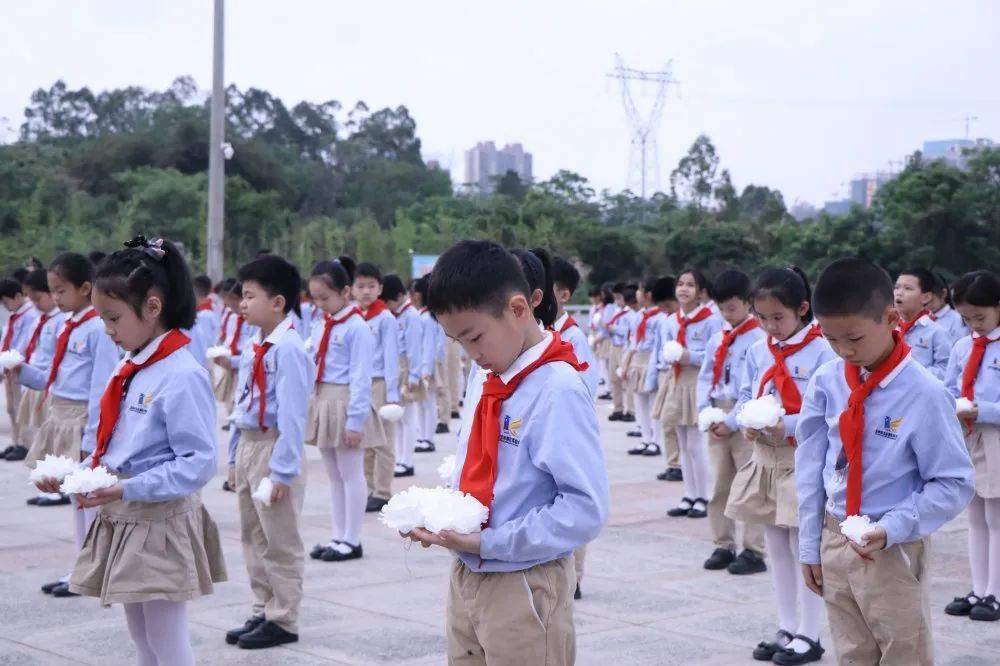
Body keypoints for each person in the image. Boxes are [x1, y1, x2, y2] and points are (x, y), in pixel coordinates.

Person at [403, 240, 609, 665]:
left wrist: (490, 542)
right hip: (469, 571)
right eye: (458, 342)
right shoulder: (489, 375)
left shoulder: (557, 390)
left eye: (475, 337)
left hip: (523, 582)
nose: (471, 355)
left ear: (519, 309)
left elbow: (585, 508)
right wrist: (441, 515)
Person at [34, 235, 226, 666]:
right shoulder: (133, 364)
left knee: (166, 640)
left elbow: (198, 462)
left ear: (153, 307)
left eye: (114, 318)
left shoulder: (180, 373)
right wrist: (74, 474)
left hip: (158, 522)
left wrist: (127, 487)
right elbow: (118, 446)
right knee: (141, 638)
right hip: (127, 514)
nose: (108, 330)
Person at [797, 257, 974, 664]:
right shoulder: (827, 380)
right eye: (831, 338)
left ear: (890, 318)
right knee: (852, 652)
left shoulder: (924, 393)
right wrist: (809, 544)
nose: (844, 350)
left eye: (855, 338)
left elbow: (953, 482)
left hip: (892, 545)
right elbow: (811, 465)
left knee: (903, 652)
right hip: (835, 536)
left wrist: (893, 526)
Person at [726, 267, 836, 664]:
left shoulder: (823, 350)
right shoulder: (758, 350)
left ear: (803, 309)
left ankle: (810, 632)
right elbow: (743, 395)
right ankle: (787, 625)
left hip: (801, 457)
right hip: (765, 455)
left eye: (779, 318)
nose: (770, 327)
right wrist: (745, 420)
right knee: (775, 543)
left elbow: (826, 412)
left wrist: (785, 423)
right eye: (762, 318)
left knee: (802, 545)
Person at [19, 252, 119, 598]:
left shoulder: (97, 328)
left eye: (61, 291)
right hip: (61, 414)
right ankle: (83, 564)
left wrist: (93, 436)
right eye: (53, 291)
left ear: (86, 288)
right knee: (76, 498)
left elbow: (101, 385)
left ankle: (89, 568)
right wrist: (25, 372)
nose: (56, 298)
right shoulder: (68, 324)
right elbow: (58, 375)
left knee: (87, 499)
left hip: (81, 419)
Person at [226, 254, 311, 649]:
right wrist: (232, 457)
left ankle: (284, 618)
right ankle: (262, 607)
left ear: (277, 302)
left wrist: (282, 472)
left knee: (279, 538)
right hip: (249, 444)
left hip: (274, 446)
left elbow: (294, 416)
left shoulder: (289, 349)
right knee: (252, 535)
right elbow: (241, 403)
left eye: (249, 296)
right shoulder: (254, 345)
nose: (242, 304)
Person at [306, 257, 377, 563]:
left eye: (325, 297)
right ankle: (338, 535)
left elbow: (362, 376)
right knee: (334, 476)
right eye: (316, 298)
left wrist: (356, 420)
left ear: (345, 292)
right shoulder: (321, 322)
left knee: (351, 473)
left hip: (346, 400)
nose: (320, 304)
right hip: (323, 398)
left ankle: (353, 538)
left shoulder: (357, 327)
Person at [696, 269, 767, 575]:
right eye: (722, 308)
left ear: (748, 303)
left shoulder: (758, 339)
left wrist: (733, 421)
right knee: (720, 484)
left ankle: (754, 549)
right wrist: (705, 411)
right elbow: (704, 377)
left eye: (732, 308)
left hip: (744, 417)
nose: (727, 314)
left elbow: (754, 386)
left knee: (750, 485)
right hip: (717, 414)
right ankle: (723, 543)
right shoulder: (717, 338)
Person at [943, 270, 1000, 622]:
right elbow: (949, 386)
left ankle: (995, 591)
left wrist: (986, 410)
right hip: (967, 435)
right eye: (966, 318)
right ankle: (978, 588)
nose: (973, 325)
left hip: (995, 435)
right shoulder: (963, 346)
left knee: (997, 518)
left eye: (980, 317)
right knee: (975, 516)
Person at [658, 269, 723, 519]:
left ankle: (702, 496)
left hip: (697, 381)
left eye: (690, 285)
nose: (684, 289)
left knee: (696, 443)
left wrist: (689, 356)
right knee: (682, 442)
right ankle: (689, 494)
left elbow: (715, 356)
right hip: (675, 381)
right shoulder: (671, 321)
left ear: (701, 292)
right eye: (681, 284)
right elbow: (660, 349)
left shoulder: (710, 321)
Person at [353, 262, 401, 515]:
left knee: (382, 441)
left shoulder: (385, 319)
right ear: (351, 289)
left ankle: (382, 491)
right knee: (364, 441)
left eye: (371, 286)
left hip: (380, 382)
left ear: (380, 288)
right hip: (359, 384)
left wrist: (392, 395)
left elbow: (392, 357)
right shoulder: (354, 317)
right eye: (360, 286)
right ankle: (369, 487)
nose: (366, 291)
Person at [18, 269, 67, 504]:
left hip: (51, 383)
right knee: (42, 435)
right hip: (36, 379)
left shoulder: (62, 321)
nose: (35, 304)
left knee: (55, 441)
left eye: (38, 298)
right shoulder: (44, 319)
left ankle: (59, 488)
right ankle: (50, 484)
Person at [382, 274, 424, 482]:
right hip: (395, 366)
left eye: (389, 300)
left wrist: (414, 375)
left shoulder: (411, 316)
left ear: (399, 296)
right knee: (396, 418)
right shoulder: (394, 315)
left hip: (407, 367)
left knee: (407, 419)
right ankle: (399, 458)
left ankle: (407, 461)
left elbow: (415, 348)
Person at [0, 276, 40, 461]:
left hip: (19, 367)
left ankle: (25, 444)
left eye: (6, 301)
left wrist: (12, 362)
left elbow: (24, 343)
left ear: (17, 296)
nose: (5, 306)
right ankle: (16, 441)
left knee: (21, 408)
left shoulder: (30, 315)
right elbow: (5, 340)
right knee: (11, 408)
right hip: (8, 367)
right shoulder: (14, 316)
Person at [893, 267, 951, 379]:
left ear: (926, 297)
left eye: (908, 288)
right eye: (897, 287)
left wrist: (913, 375)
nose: (899, 293)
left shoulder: (936, 331)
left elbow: (945, 369)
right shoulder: (888, 327)